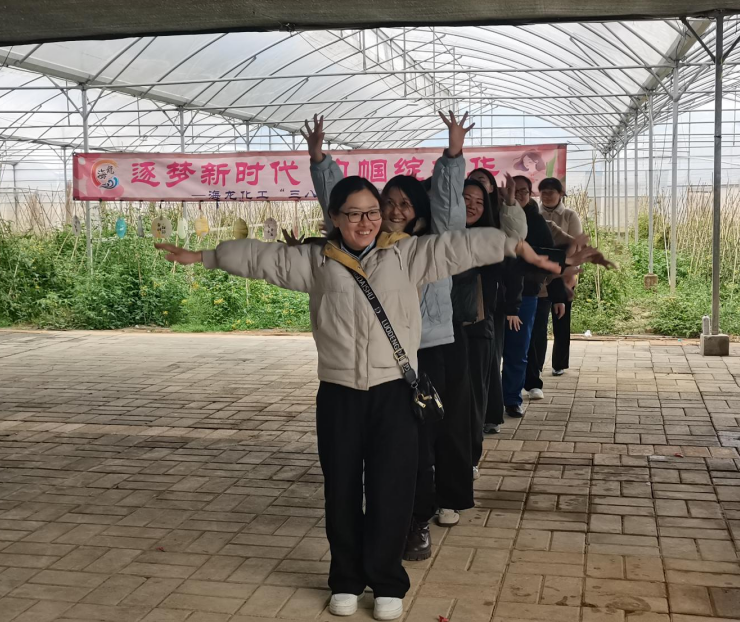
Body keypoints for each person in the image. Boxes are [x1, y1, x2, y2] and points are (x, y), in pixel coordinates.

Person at [156, 151, 571, 619]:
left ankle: (387, 580)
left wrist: (516, 247)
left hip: (395, 392)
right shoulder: (317, 261)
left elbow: (460, 247)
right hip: (339, 395)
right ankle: (346, 580)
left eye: (372, 212)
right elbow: (262, 258)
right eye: (353, 214)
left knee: (392, 488)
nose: (366, 222)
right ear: (335, 217)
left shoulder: (405, 255)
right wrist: (206, 256)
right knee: (342, 490)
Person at [310, 112, 474, 563]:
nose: (396, 211)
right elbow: (340, 203)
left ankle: (416, 521)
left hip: (430, 351)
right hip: (379, 363)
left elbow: (449, 205)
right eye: (389, 203)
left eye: (405, 204)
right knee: (391, 450)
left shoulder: (432, 243)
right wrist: (321, 161)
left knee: (423, 444)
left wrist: (453, 154)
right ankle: (386, 526)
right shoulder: (368, 245)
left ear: (419, 209)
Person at [453, 176, 527, 472]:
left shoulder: (491, 237)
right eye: (465, 200)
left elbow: (514, 245)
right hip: (436, 328)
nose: (472, 206)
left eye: (479, 202)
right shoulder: (437, 235)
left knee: (473, 395)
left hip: (477, 323)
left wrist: (509, 206)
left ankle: (469, 458)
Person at [498, 175, 558, 419]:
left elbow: (550, 256)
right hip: (495, 292)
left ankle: (512, 398)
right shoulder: (495, 217)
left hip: (527, 294)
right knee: (493, 350)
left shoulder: (536, 220)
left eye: (523, 191)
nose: (519, 195)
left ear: (530, 193)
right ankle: (491, 401)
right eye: (514, 191)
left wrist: (529, 274)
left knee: (518, 347)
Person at [526, 177, 583, 394]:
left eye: (552, 192)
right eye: (544, 192)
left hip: (563, 275)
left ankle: (559, 362)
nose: (547, 196)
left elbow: (575, 244)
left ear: (560, 194)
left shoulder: (569, 215)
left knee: (561, 320)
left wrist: (570, 271)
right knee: (539, 325)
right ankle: (535, 368)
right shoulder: (534, 213)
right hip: (540, 276)